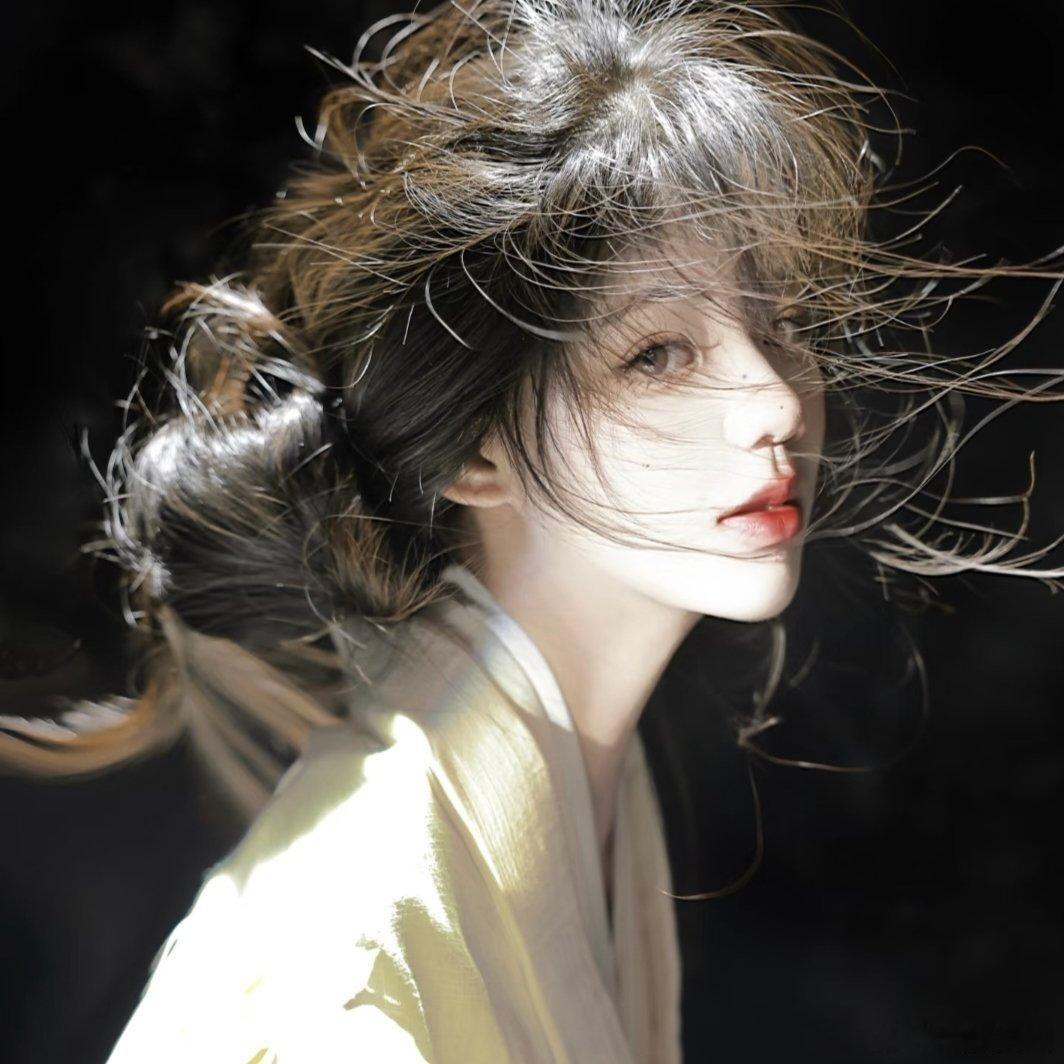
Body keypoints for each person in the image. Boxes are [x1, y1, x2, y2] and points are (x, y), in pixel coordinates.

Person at [2, 0, 1063, 1060]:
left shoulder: (582, 794)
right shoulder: (345, 991)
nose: (778, 403)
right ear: (472, 446)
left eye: (781, 322)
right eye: (656, 354)